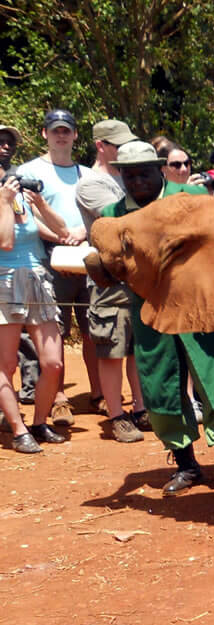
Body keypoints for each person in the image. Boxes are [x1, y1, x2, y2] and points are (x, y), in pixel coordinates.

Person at [101, 141, 214, 496]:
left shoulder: (191, 196)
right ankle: (186, 465)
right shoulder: (113, 214)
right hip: (148, 311)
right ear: (120, 174)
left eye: (144, 173)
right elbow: (109, 266)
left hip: (198, 305)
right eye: (129, 175)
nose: (137, 181)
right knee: (160, 384)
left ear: (160, 169)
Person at [17, 109, 98, 426]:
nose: (61, 135)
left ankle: (98, 394)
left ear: (76, 135)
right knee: (55, 331)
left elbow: (96, 212)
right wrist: (60, 236)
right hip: (48, 256)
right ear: (44, 134)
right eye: (55, 131)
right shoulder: (29, 171)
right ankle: (60, 398)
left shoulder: (88, 175)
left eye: (66, 130)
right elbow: (25, 215)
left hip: (87, 255)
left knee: (94, 330)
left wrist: (81, 234)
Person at [1, 166, 73, 452]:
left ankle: (39, 422)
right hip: (4, 281)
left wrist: (39, 203)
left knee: (53, 362)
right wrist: (4, 202)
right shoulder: (6, 201)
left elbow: (62, 230)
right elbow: (5, 241)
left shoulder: (19, 200)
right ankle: (18, 430)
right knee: (6, 364)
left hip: (38, 280)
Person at [77, 171, 148, 442]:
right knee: (111, 350)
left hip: (138, 278)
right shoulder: (92, 184)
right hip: (109, 280)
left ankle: (140, 408)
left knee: (136, 349)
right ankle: (117, 416)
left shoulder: (134, 186)